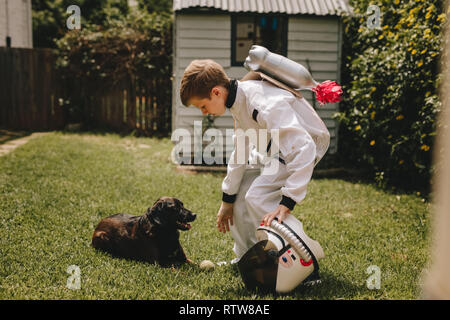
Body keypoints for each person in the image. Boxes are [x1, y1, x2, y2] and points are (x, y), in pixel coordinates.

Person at [180, 59, 330, 263]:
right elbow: (240, 152)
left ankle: (304, 259)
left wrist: (288, 201)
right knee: (241, 194)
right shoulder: (238, 102)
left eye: (203, 106)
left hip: (306, 142)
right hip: (275, 147)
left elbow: (304, 147)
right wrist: (228, 200)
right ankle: (247, 258)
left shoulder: (261, 103)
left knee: (257, 197)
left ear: (216, 92)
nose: (204, 112)